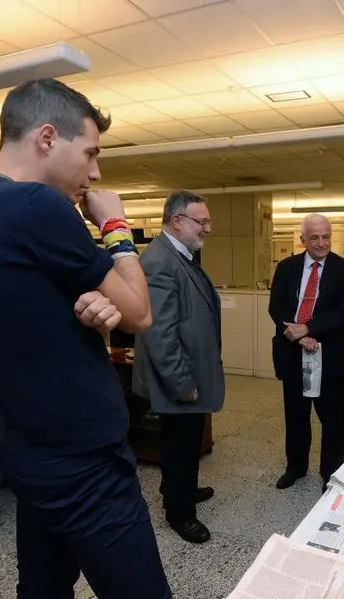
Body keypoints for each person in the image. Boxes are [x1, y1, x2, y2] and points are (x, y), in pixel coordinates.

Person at [0, 79, 172, 599]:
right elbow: (140, 313)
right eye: (89, 153)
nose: (95, 172)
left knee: (43, 589)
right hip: (83, 460)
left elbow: (35, 311)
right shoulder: (35, 209)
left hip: (27, 446)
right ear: (47, 137)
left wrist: (91, 308)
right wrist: (114, 225)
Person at [132, 190, 224, 545]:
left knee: (183, 441)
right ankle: (179, 512)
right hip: (178, 376)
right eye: (202, 222)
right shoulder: (159, 262)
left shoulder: (180, 256)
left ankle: (180, 488)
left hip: (189, 369)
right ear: (177, 221)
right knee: (180, 443)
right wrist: (183, 382)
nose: (207, 229)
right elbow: (160, 333)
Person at [268, 214, 344, 493]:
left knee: (331, 417)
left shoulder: (343, 269)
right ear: (303, 239)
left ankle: (331, 472)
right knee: (295, 414)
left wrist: (307, 330)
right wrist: (296, 334)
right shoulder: (287, 267)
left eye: (326, 236)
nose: (321, 243)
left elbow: (342, 313)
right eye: (314, 237)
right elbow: (276, 306)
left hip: (328, 351)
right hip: (292, 350)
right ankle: (295, 466)